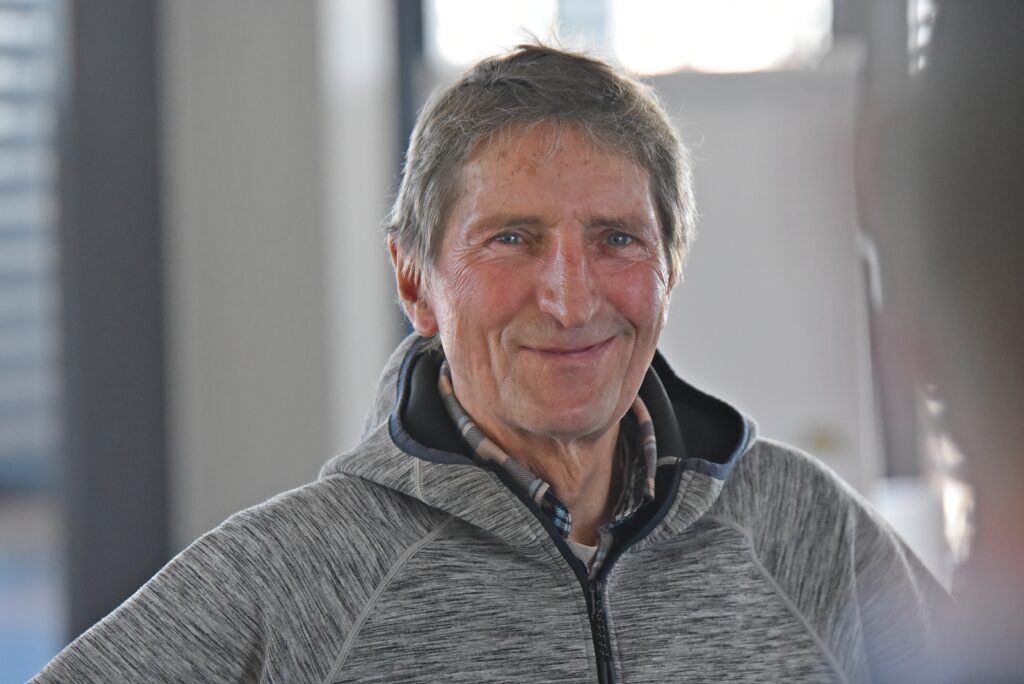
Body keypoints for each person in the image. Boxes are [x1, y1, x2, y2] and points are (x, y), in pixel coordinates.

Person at [33, 44, 948, 683]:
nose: (571, 300)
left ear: (669, 269)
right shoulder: (290, 577)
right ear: (415, 281)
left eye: (616, 239)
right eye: (513, 239)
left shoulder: (807, 530)